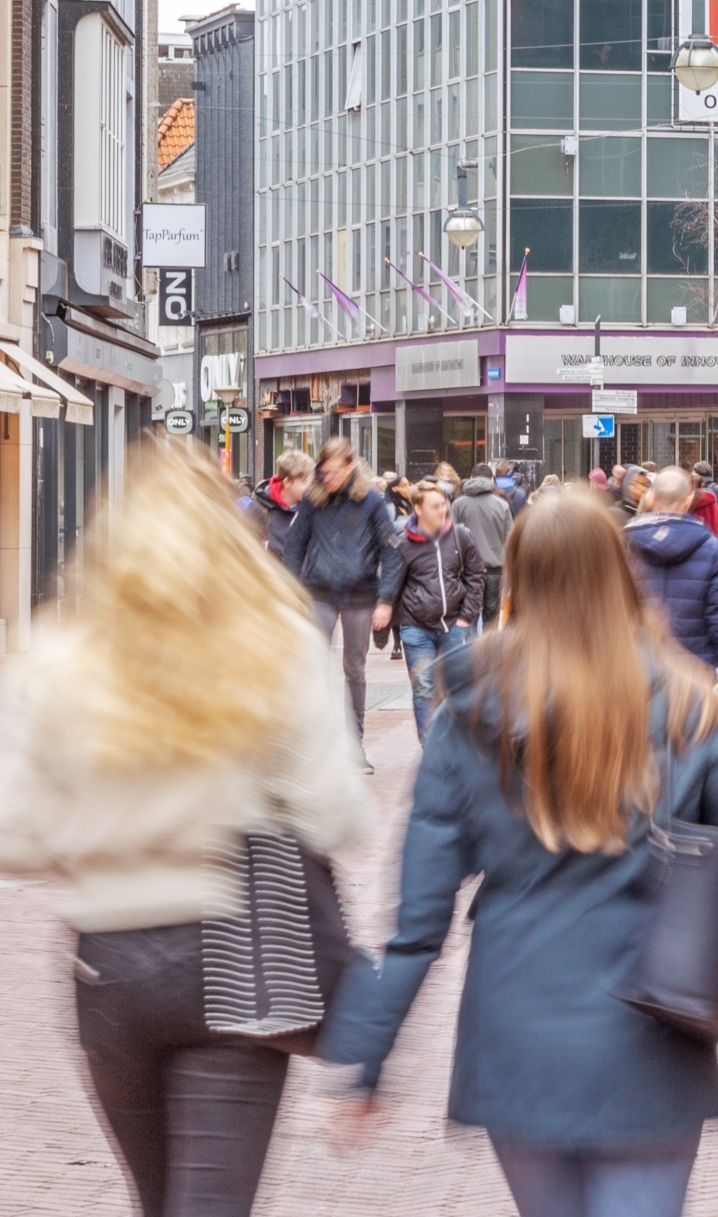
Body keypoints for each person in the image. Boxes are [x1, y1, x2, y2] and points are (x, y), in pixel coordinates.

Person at [319, 493, 718, 1217]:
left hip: (518, 1034)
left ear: (516, 580)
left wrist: (367, 1059)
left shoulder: (469, 717)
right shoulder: (692, 709)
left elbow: (417, 923)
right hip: (653, 1036)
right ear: (620, 572)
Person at [0, 443, 371, 1217]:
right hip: (238, 954)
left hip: (109, 967)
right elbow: (334, 812)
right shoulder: (278, 641)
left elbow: (15, 834)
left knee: (157, 1199)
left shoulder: (58, 652)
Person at [279, 436, 400, 764]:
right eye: (323, 471)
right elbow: (294, 546)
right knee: (315, 665)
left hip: (360, 596)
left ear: (349, 467)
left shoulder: (372, 503)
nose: (327, 478)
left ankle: (353, 745)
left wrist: (386, 599)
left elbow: (391, 551)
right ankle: (316, 744)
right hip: (319, 592)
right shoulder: (313, 501)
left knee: (355, 670)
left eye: (333, 471)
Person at [624, 466, 718, 684]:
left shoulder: (623, 546)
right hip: (697, 675)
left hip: (637, 671)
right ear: (688, 501)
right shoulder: (713, 550)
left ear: (650, 498)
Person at [390, 483, 486, 741]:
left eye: (444, 503)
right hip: (416, 628)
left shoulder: (460, 535)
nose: (442, 509)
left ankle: (454, 745)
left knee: (455, 688)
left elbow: (476, 574)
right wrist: (392, 628)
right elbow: (393, 585)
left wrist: (466, 617)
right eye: (435, 506)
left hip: (454, 626)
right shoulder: (403, 543)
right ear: (418, 508)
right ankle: (430, 747)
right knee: (423, 688)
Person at [452, 463, 516, 624]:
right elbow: (511, 541)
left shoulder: (458, 504)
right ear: (492, 479)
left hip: (466, 570)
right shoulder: (502, 505)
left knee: (468, 617)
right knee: (492, 617)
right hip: (495, 569)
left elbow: (450, 537)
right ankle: (488, 649)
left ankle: (471, 648)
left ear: (471, 478)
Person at [242, 448, 314, 555]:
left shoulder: (313, 508)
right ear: (287, 482)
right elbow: (241, 546)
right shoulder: (260, 508)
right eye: (304, 482)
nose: (309, 487)